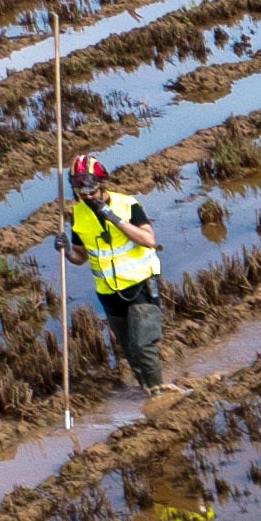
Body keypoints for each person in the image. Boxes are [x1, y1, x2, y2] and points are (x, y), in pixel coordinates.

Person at [60, 154, 162, 394]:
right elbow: (80, 256)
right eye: (80, 190)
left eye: (90, 190)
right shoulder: (79, 215)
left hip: (141, 286)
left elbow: (149, 240)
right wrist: (66, 251)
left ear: (101, 183)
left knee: (142, 344)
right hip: (108, 292)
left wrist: (114, 219)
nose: (86, 196)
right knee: (129, 349)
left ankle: (160, 390)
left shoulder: (128, 205)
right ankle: (147, 391)